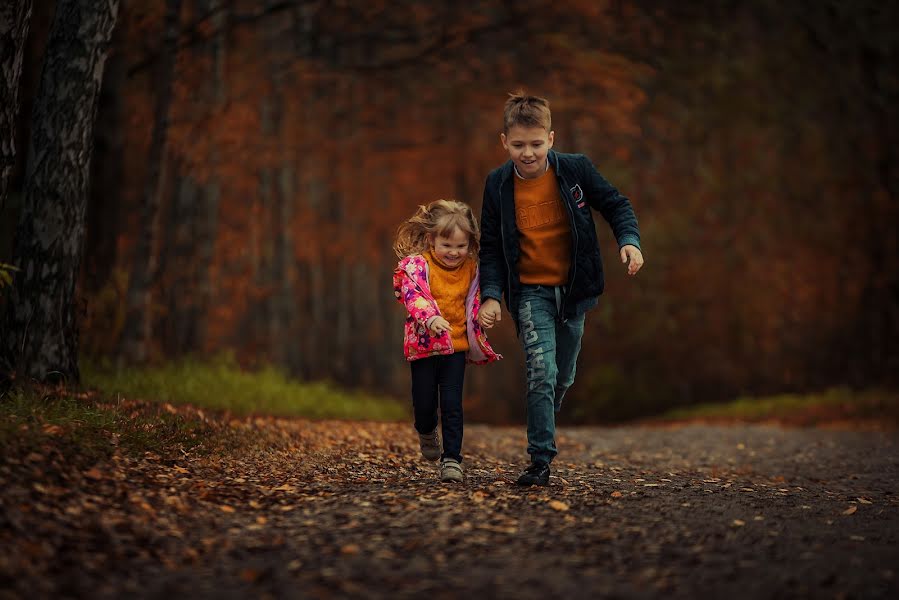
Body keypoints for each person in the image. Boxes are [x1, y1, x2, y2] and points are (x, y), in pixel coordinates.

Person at [478, 92, 644, 486]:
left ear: (551, 138)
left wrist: (629, 241)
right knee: (541, 371)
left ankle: (544, 420)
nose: (528, 153)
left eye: (536, 144)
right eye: (518, 145)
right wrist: (491, 295)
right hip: (530, 292)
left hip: (574, 291)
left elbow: (616, 204)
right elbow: (489, 246)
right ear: (504, 142)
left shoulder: (575, 170)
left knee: (562, 377)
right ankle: (540, 460)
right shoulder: (498, 185)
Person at [393, 199, 501, 483]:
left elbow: (476, 298)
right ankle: (426, 430)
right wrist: (429, 318)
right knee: (425, 402)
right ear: (432, 240)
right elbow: (411, 295)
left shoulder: (472, 269)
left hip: (456, 345)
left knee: (452, 403)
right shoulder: (417, 266)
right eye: (447, 245)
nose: (454, 253)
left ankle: (452, 459)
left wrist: (485, 312)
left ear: (469, 244)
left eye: (461, 246)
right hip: (425, 345)